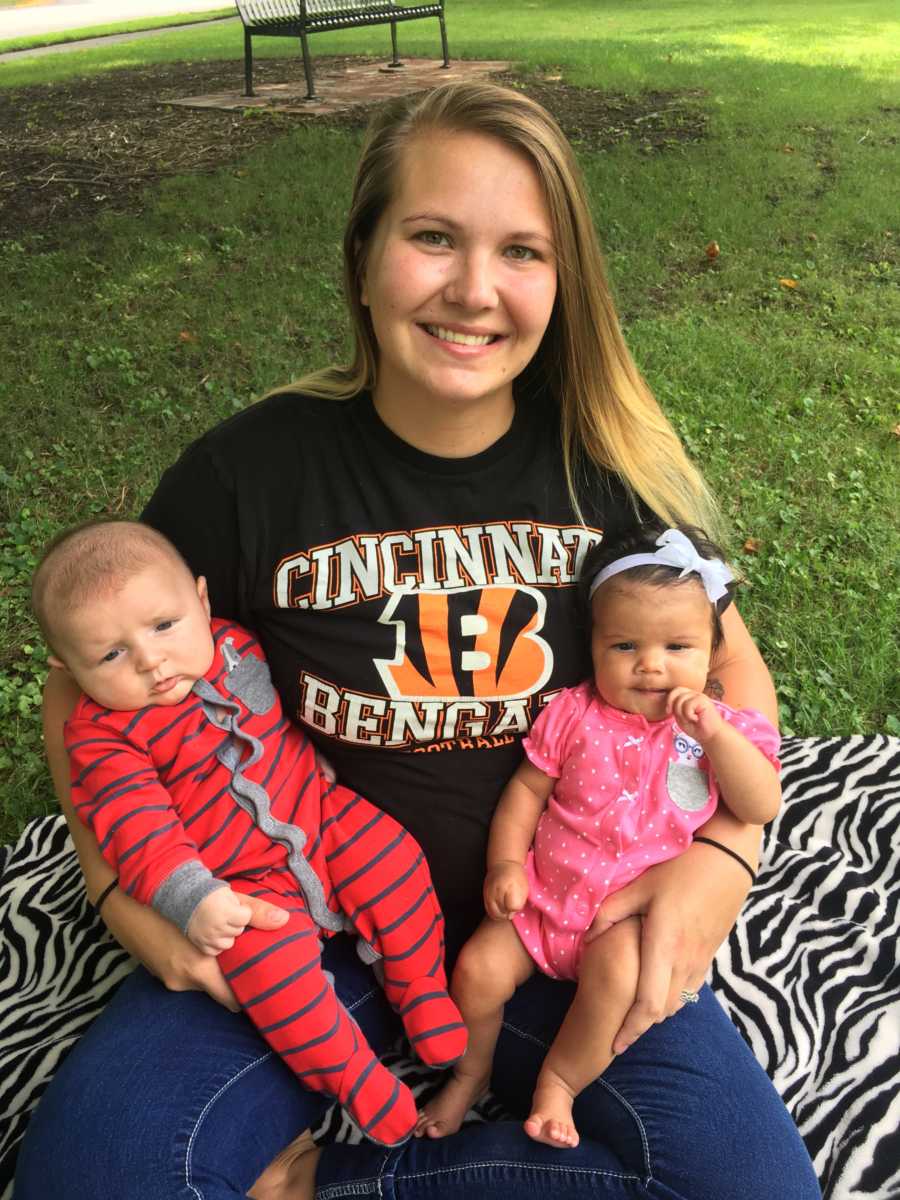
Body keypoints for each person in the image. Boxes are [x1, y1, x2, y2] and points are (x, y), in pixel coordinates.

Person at [15, 81, 821, 1200]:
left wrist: (723, 865)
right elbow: (82, 685)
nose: (474, 290)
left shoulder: (602, 472)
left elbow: (733, 664)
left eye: (522, 252)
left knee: (757, 1189)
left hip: (562, 921)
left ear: (563, 282)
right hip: (305, 923)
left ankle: (327, 1183)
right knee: (95, 1178)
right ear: (362, 258)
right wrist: (119, 896)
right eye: (433, 237)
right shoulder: (250, 474)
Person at [31, 519, 467, 1147]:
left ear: (203, 602)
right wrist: (195, 899)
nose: (152, 661)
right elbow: (139, 831)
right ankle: (355, 1079)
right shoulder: (104, 737)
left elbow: (294, 705)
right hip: (240, 886)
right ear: (66, 666)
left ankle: (420, 987)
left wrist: (319, 753)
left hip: (320, 817)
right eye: (110, 655)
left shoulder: (238, 646)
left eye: (163, 626)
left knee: (392, 858)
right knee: (268, 975)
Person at [417, 523, 781, 1149]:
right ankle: (469, 1074)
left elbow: (761, 803)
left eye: (679, 646)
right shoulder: (574, 713)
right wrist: (505, 864)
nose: (652, 665)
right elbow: (528, 791)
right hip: (542, 903)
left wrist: (719, 737)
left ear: (712, 650)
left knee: (616, 983)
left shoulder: (723, 731)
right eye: (624, 647)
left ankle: (558, 1083)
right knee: (475, 971)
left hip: (624, 924)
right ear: (591, 646)